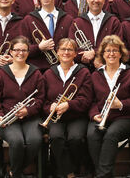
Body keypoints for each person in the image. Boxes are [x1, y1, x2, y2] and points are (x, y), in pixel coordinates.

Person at [86, 35, 130, 178]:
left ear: (121, 54)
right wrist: (94, 114)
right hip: (102, 116)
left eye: (115, 51)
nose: (111, 54)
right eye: (107, 51)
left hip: (126, 117)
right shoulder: (96, 75)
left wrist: (121, 104)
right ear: (102, 55)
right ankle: (105, 174)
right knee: (91, 135)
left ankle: (102, 175)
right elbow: (91, 100)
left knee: (111, 135)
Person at [0, 36, 45, 178]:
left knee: (35, 140)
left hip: (30, 118)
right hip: (8, 118)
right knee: (16, 141)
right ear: (11, 52)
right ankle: (17, 174)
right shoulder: (0, 74)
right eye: (17, 50)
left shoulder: (36, 73)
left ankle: (14, 172)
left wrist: (28, 110)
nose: (20, 53)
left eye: (24, 50)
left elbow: (40, 99)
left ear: (28, 52)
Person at [42, 38, 92, 178]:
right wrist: (49, 107)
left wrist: (69, 105)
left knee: (75, 139)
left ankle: (69, 169)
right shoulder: (48, 73)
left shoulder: (83, 72)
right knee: (56, 137)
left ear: (76, 53)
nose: (66, 52)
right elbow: (43, 100)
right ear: (57, 52)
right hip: (56, 116)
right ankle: (69, 173)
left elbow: (86, 99)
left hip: (77, 116)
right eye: (63, 49)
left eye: (70, 49)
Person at [20, 0, 73, 71]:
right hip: (36, 71)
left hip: (62, 70)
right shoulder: (29, 20)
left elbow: (73, 46)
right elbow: (22, 49)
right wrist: (39, 47)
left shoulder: (68, 19)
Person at [68, 0, 122, 68]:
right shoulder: (77, 22)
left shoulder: (113, 21)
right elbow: (72, 47)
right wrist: (84, 57)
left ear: (104, 1)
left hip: (108, 66)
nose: (96, 0)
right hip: (82, 68)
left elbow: (117, 45)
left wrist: (94, 52)